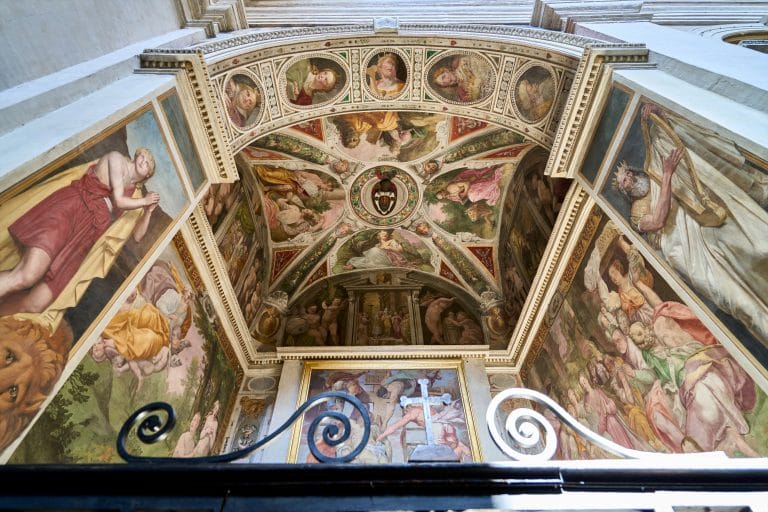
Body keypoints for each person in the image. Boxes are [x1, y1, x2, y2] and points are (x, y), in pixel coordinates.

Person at [612, 103, 768, 345]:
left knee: (752, 248)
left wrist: (659, 118)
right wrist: (666, 176)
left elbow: (668, 145)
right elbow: (659, 220)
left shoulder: (652, 175)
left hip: (701, 229)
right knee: (734, 299)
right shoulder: (636, 212)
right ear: (625, 192)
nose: (630, 180)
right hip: (687, 255)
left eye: (629, 175)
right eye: (625, 183)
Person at [0, 149, 160, 317]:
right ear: (136, 155)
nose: (144, 160)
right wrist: (143, 201)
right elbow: (119, 199)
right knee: (27, 275)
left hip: (84, 237)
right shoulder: (116, 159)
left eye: (148, 163)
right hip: (71, 210)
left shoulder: (136, 195)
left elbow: (137, 236)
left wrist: (148, 210)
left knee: (37, 303)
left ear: (148, 174)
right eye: (143, 155)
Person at [436, 165, 503, 206]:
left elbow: (466, 183)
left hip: (470, 183)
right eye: (442, 197)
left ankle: (493, 182)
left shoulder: (450, 187)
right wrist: (462, 199)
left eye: (442, 194)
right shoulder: (449, 197)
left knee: (473, 196)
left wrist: (465, 193)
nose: (444, 195)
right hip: (470, 191)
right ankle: (491, 187)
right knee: (472, 198)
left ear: (442, 191)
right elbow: (461, 198)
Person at [343, 231, 411, 270]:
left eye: (386, 234)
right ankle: (352, 266)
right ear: (378, 236)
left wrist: (390, 248)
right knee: (356, 259)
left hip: (390, 260)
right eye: (382, 233)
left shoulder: (391, 241)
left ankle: (354, 265)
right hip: (378, 261)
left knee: (374, 250)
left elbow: (400, 250)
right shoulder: (377, 245)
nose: (385, 234)